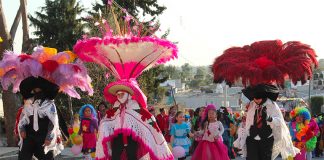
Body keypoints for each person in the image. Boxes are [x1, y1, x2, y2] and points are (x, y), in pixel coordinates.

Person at [0, 46, 93, 160]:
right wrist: (23, 129)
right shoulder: (29, 103)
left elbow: (53, 122)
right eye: (34, 90)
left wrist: (49, 136)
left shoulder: (49, 105)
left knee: (47, 156)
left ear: (44, 90)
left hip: (44, 136)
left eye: (38, 90)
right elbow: (23, 118)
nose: (36, 92)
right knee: (23, 155)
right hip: (29, 136)